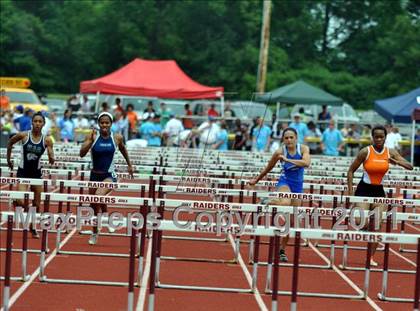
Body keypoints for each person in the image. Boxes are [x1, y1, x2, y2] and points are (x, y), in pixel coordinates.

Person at [347, 125, 413, 266]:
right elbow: (351, 171)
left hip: (379, 191)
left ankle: (370, 257)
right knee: (361, 221)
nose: (378, 139)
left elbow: (410, 166)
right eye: (376, 136)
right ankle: (362, 222)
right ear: (372, 137)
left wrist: (398, 162)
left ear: (385, 137)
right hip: (363, 189)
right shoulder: (365, 151)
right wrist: (350, 191)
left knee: (377, 226)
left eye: (381, 137)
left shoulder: (391, 152)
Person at [249, 128, 311, 262]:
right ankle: (268, 200)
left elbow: (306, 163)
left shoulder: (304, 149)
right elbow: (268, 167)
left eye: (291, 137)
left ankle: (281, 250)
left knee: (292, 223)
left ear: (296, 138)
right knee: (285, 203)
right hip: (285, 182)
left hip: (297, 187)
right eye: (286, 138)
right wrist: (256, 179)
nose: (289, 140)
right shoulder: (279, 152)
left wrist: (287, 160)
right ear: (283, 140)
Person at [79, 112, 133, 245]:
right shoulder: (92, 136)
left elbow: (123, 149)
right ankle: (95, 231)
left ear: (111, 124)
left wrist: (129, 165)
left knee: (98, 195)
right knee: (94, 205)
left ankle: (99, 228)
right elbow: (81, 153)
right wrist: (90, 141)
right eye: (102, 122)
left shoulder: (117, 138)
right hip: (94, 175)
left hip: (109, 175)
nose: (104, 125)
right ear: (98, 123)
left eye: (107, 122)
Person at [6, 112, 55, 237]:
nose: (38, 124)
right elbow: (10, 143)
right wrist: (8, 160)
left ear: (44, 124)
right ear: (32, 123)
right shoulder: (23, 135)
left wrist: (51, 157)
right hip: (23, 172)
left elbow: (51, 154)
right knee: (20, 199)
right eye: (35, 121)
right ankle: (17, 202)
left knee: (37, 205)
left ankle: (33, 227)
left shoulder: (47, 139)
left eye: (40, 122)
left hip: (36, 174)